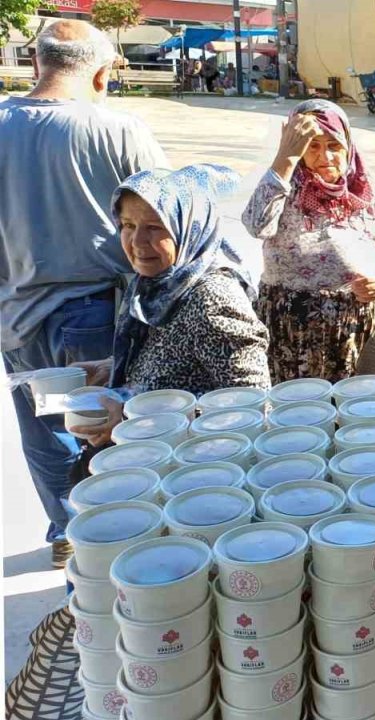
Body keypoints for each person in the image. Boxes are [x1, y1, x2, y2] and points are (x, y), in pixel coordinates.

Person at [0, 19, 168, 568]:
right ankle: (111, 536)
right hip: (97, 313)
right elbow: (169, 214)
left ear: (35, 64)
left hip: (17, 318)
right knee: (106, 429)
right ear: (99, 73)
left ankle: (68, 530)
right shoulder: (117, 129)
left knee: (46, 430)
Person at [68, 164, 270, 446]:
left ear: (188, 227)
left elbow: (252, 408)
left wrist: (131, 419)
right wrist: (111, 367)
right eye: (128, 225)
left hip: (191, 471)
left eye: (154, 227)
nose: (138, 241)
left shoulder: (212, 299)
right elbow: (174, 362)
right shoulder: (157, 284)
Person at [242, 99, 375, 383]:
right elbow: (256, 225)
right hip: (291, 337)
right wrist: (285, 158)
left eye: (334, 145)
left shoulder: (368, 198)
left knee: (356, 415)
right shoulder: (282, 191)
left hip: (355, 335)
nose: (325, 156)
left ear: (348, 147)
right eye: (312, 146)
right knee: (298, 415)